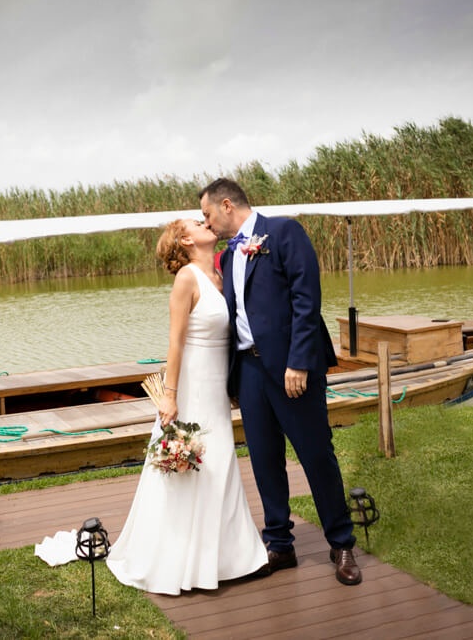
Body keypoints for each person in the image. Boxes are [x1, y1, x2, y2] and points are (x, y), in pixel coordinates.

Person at [198, 177, 362, 586]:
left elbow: (307, 299)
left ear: (226, 205)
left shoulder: (284, 232)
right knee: (265, 459)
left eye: (207, 214)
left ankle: (341, 543)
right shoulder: (228, 256)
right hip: (250, 371)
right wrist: (232, 379)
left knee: (315, 454)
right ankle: (279, 545)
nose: (207, 223)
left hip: (293, 369)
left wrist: (299, 362)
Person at [106, 218, 269, 595]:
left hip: (216, 387)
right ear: (185, 239)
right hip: (192, 383)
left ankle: (230, 558)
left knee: (222, 461)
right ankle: (180, 560)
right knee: (192, 465)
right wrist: (170, 394)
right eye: (197, 222)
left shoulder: (220, 274)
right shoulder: (187, 279)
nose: (205, 222)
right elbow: (175, 343)